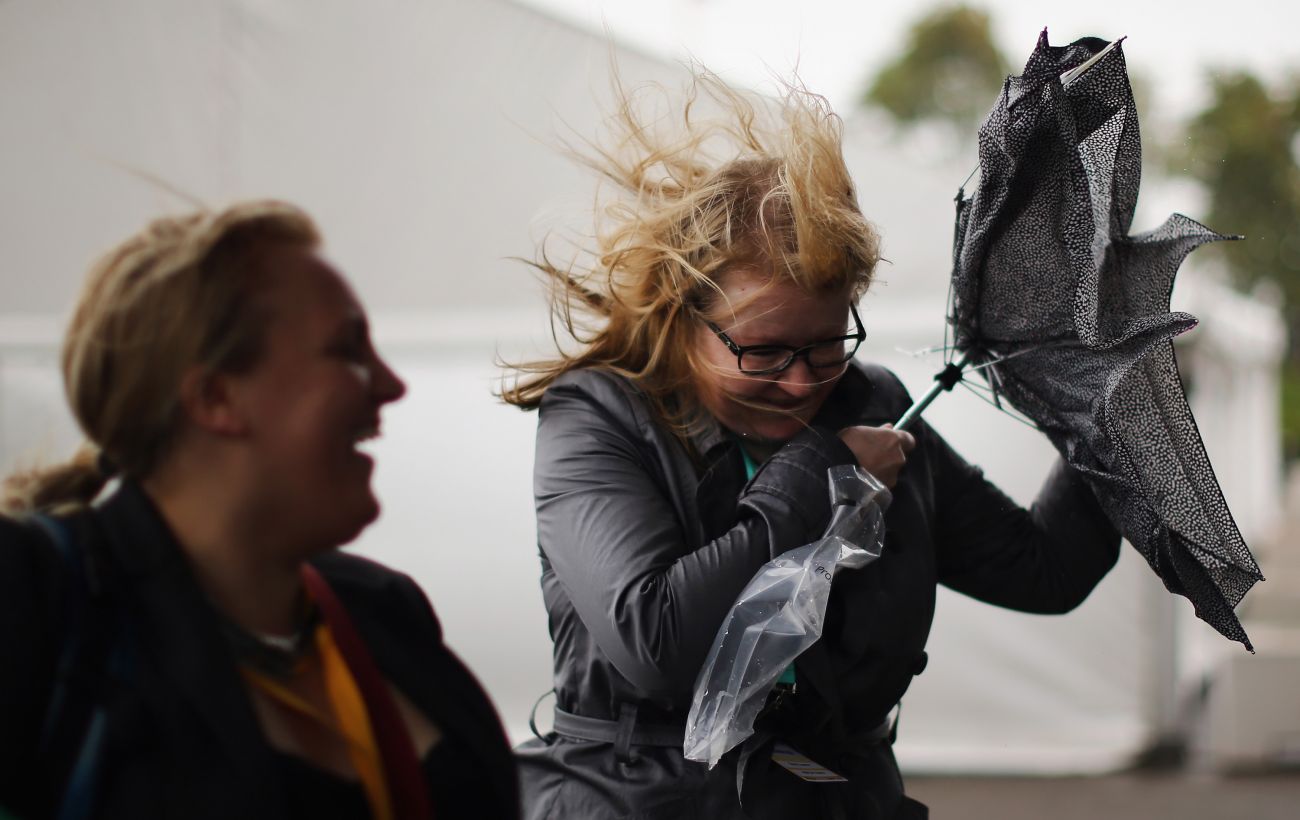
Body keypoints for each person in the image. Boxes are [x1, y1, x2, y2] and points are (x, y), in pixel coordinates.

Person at [501, 74, 1121, 819]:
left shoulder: (877, 402)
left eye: (830, 345)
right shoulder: (600, 416)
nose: (802, 384)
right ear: (682, 313)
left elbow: (1043, 571)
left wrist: (1100, 412)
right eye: (764, 352)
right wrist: (823, 475)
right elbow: (657, 644)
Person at [0, 201, 519, 820]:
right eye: (347, 348)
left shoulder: (383, 611)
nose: (389, 383)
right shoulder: (36, 600)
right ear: (216, 397)